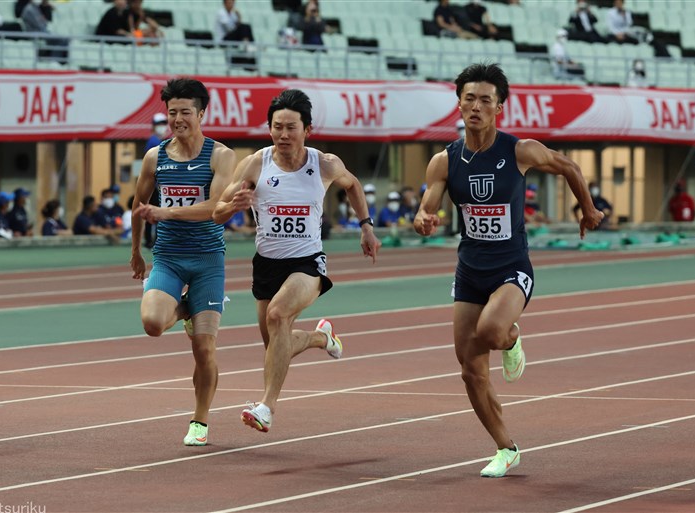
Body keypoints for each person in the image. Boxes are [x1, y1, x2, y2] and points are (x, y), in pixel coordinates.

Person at [413, 63, 603, 478]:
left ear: (500, 105)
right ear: (459, 103)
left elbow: (568, 166)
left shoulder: (519, 150)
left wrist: (587, 210)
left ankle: (512, 337)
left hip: (511, 267)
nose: (476, 106)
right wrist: (423, 219)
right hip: (469, 271)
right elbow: (427, 207)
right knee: (469, 369)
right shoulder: (444, 161)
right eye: (469, 99)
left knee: (492, 333)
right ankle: (506, 448)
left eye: (485, 99)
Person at [212, 88, 380, 433]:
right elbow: (216, 213)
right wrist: (234, 206)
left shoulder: (325, 164)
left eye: (291, 127)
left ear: (307, 130)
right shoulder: (256, 164)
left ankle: (266, 408)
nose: (283, 135)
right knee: (275, 345)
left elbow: (353, 186)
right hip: (266, 264)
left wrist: (366, 227)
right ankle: (321, 338)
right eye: (277, 127)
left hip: (307, 262)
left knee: (277, 316)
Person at [129, 78, 236, 447]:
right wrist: (135, 252)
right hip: (169, 258)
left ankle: (200, 421)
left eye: (185, 112)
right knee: (153, 323)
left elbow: (216, 208)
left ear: (202, 113)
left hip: (207, 260)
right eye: (172, 112)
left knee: (204, 349)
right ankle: (188, 310)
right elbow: (137, 205)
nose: (177, 119)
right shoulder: (155, 157)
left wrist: (167, 213)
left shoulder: (221, 155)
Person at [143, 113, 169, 248]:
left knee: (155, 213)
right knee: (155, 213)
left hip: (158, 184)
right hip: (155, 185)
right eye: (159, 124)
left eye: (164, 124)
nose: (162, 127)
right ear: (153, 126)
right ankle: (152, 240)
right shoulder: (154, 142)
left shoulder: (161, 141)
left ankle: (152, 240)